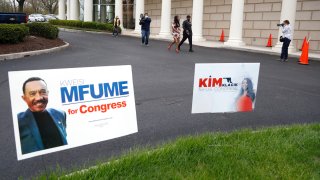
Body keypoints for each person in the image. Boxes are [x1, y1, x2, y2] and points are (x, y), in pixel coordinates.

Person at [18, 77, 67, 154]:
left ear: (47, 93)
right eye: (32, 94)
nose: (39, 98)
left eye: (43, 92)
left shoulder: (60, 114)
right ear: (24, 98)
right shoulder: (17, 121)